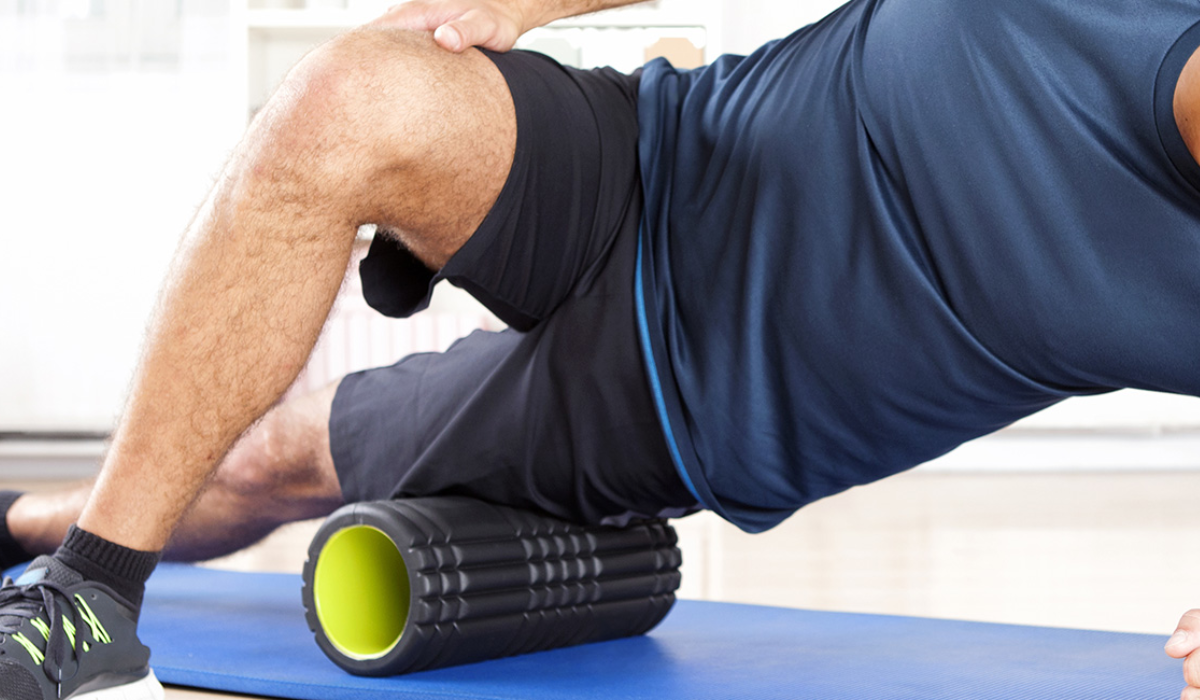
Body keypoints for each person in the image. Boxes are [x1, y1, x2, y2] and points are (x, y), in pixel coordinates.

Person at [4, 0, 1200, 697]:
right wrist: (517, 9)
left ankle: (31, 527)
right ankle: (90, 592)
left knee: (285, 461)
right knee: (347, 103)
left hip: (688, 387)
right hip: (668, 151)